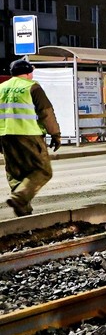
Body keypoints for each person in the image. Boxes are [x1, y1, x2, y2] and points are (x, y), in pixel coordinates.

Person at [0, 58, 61, 217]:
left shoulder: (1, 88)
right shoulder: (32, 87)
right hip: (29, 134)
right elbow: (46, 112)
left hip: (5, 136)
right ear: (28, 73)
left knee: (16, 173)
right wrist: (55, 134)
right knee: (43, 170)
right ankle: (20, 198)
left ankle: (23, 211)